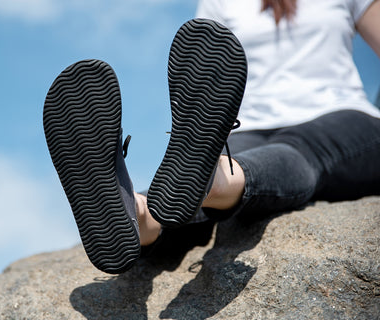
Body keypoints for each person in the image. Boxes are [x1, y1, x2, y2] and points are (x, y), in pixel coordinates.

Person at [43, 0, 380, 274]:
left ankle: (144, 210)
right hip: (261, 125)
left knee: (275, 153)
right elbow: (204, 64)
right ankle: (180, 195)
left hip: (336, 118)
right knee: (269, 159)